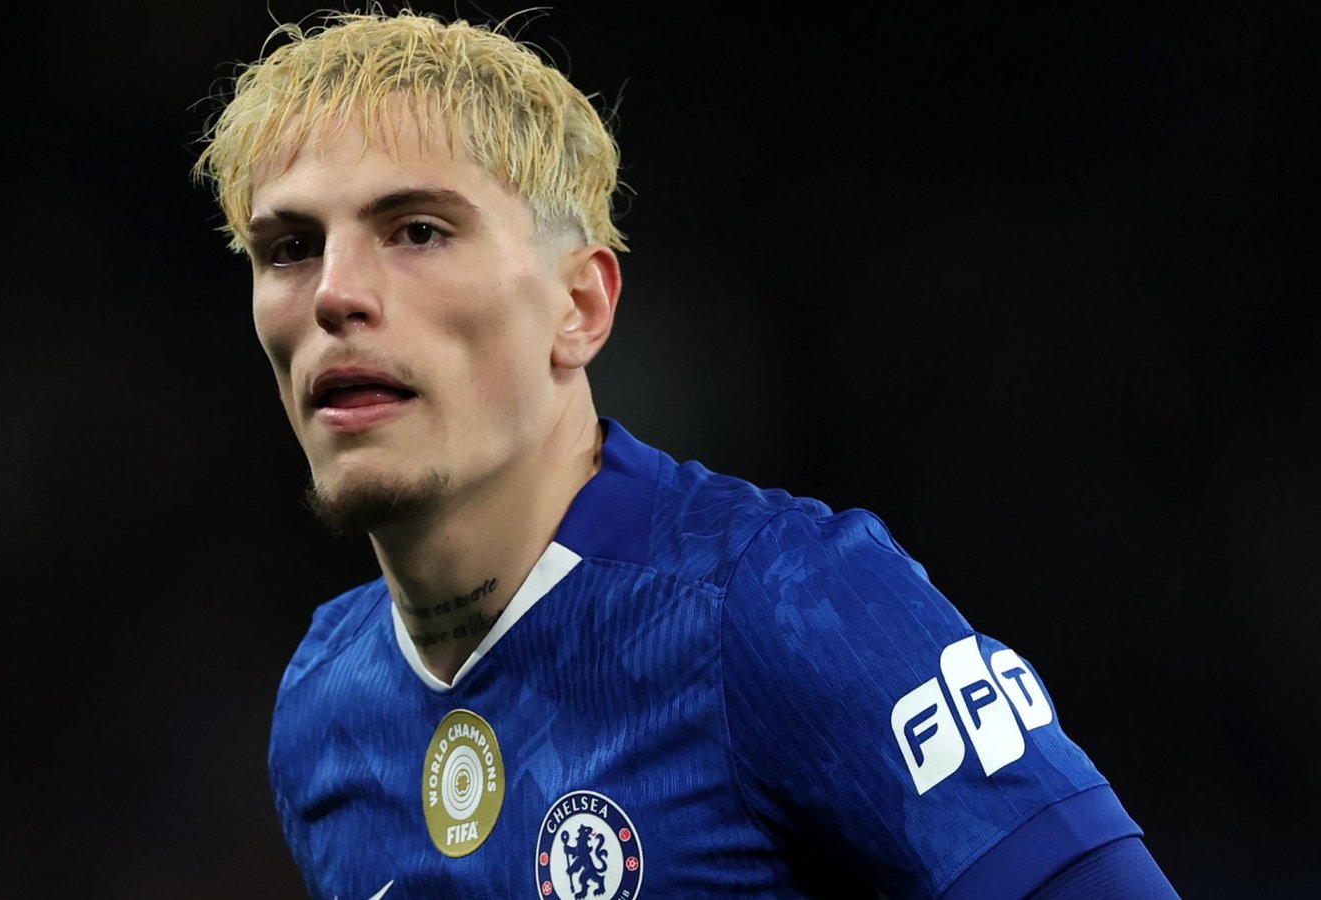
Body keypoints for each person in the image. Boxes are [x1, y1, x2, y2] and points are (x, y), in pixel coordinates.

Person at [194, 10, 1179, 899]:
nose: (334, 294)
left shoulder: (788, 606)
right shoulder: (327, 711)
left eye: (416, 230)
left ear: (578, 307)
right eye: (289, 248)